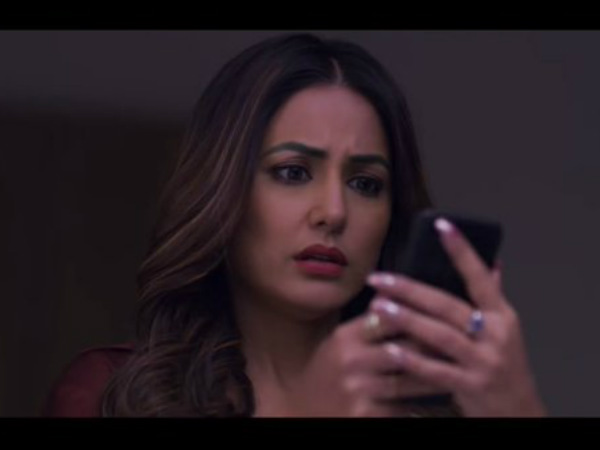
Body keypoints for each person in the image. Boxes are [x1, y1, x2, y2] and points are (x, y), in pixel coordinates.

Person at [42, 32, 546, 417]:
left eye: (365, 183)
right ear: (226, 192)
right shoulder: (109, 392)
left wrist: (521, 409)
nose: (334, 211)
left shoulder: (427, 406)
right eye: (293, 172)